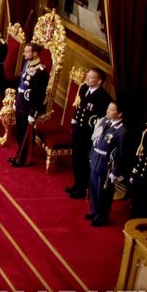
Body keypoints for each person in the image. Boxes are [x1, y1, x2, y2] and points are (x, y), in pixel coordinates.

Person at [65, 68, 112, 200]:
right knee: (76, 158)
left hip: (88, 134)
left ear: (99, 81)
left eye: (91, 77)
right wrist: (74, 124)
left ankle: (82, 188)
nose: (87, 79)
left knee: (83, 161)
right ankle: (76, 185)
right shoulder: (84, 89)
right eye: (88, 76)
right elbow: (79, 109)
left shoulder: (103, 97)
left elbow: (103, 120)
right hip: (79, 130)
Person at [9, 43, 49, 167]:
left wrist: (33, 112)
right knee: (20, 132)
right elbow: (21, 84)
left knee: (27, 135)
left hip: (29, 107)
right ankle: (19, 154)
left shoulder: (41, 72)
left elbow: (39, 95)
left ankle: (25, 158)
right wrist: (16, 100)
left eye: (27, 52)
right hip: (21, 103)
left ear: (35, 53)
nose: (24, 54)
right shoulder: (27, 63)